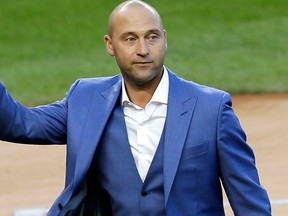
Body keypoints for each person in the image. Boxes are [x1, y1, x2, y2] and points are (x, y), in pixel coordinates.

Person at [0, 0, 271, 215]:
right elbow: (19, 124)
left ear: (165, 39)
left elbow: (250, 202)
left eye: (151, 37)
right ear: (110, 45)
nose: (143, 49)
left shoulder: (212, 109)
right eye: (130, 39)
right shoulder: (85, 98)